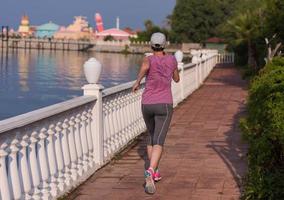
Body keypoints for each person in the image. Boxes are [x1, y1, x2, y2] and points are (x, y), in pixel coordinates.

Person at [132, 32, 180, 194]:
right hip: (164, 104)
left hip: (147, 104)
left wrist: (138, 82)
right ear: (165, 45)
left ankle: (156, 171)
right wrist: (172, 70)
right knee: (159, 140)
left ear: (151, 45)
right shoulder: (172, 59)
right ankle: (150, 171)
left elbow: (144, 69)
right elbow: (177, 79)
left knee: (151, 136)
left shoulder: (148, 59)